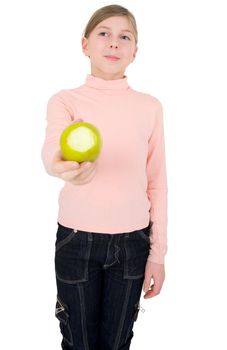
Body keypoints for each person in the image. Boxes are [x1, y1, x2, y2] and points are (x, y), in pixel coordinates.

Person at [41, 4, 168, 350]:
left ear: (135, 52)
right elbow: (54, 147)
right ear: (85, 45)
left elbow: (157, 182)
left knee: (116, 343)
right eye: (104, 34)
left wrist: (158, 253)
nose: (114, 44)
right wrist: (62, 165)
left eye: (124, 37)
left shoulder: (149, 106)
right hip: (76, 242)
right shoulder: (65, 101)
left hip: (132, 245)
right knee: (78, 341)